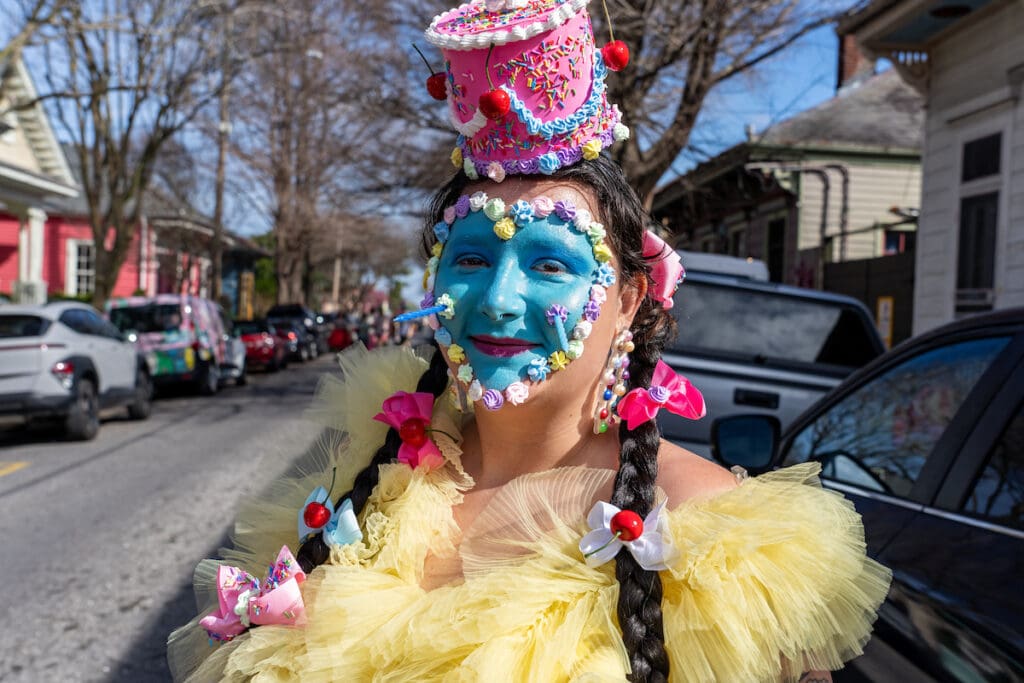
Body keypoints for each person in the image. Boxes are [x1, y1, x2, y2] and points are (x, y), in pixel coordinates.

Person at [168, 2, 889, 681]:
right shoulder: (374, 477)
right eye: (473, 258)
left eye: (550, 264)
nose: (500, 299)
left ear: (629, 301)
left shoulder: (712, 534)